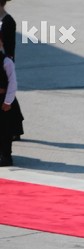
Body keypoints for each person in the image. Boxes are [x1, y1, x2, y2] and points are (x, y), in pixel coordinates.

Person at [0, 34, 23, 166]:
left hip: (3, 100)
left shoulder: (6, 61)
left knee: (4, 130)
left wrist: (8, 101)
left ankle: (6, 157)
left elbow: (12, 82)